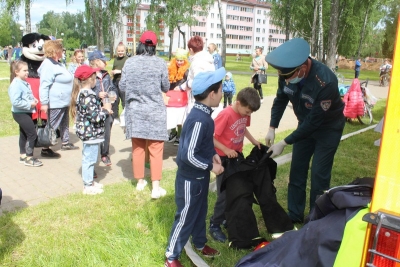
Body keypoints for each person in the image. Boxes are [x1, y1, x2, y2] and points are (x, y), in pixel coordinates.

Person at [265, 38, 345, 224]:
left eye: (289, 76)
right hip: (305, 125)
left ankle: (316, 217)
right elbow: (280, 99)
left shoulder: (325, 82)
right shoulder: (287, 71)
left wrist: (284, 142)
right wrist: (272, 127)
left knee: (319, 174)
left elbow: (314, 122)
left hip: (328, 128)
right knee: (297, 170)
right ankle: (295, 214)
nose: (285, 80)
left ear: (302, 68)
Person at [165, 68, 226, 267]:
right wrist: (210, 165)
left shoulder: (204, 115)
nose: (222, 93)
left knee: (200, 212)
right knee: (184, 217)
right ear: (212, 94)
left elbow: (204, 144)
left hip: (199, 180)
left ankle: (200, 243)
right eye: (220, 89)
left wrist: (213, 154)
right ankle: (171, 256)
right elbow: (187, 155)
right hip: (190, 181)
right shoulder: (199, 119)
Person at [119, 31, 170, 199]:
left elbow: (123, 86)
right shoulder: (160, 63)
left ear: (140, 45)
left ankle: (140, 183)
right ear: (154, 47)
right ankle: (156, 187)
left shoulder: (129, 63)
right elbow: (165, 86)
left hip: (135, 111)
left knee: (138, 147)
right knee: (156, 149)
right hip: (155, 110)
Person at [209, 87, 261, 242]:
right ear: (238, 103)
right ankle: (214, 224)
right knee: (224, 194)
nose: (248, 115)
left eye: (251, 113)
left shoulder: (244, 113)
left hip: (236, 157)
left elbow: (243, 128)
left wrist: (253, 141)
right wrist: (226, 149)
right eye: (247, 112)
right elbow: (211, 137)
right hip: (223, 159)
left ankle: (226, 218)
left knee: (236, 190)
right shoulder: (225, 114)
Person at [70, 65, 110, 195]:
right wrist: (105, 110)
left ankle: (90, 182)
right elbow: (95, 117)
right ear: (90, 79)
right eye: (94, 78)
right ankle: (87, 185)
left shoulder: (84, 94)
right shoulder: (89, 96)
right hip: (91, 133)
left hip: (88, 132)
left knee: (90, 158)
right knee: (90, 159)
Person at [39, 40, 78, 156]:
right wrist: (44, 102)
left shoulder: (58, 63)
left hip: (64, 101)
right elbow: (44, 85)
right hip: (56, 101)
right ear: (56, 51)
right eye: (61, 49)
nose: (63, 51)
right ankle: (45, 148)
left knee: (65, 122)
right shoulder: (48, 65)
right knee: (53, 124)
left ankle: (65, 142)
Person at [8, 60, 42, 167]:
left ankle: (23, 155)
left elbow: (27, 96)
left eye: (27, 70)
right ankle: (29, 157)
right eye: (24, 70)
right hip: (20, 113)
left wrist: (34, 100)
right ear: (16, 72)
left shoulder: (24, 82)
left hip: (26, 112)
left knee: (23, 134)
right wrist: (30, 104)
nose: (27, 72)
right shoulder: (16, 84)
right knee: (32, 134)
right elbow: (15, 101)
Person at [88, 50, 117, 166]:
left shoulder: (106, 75)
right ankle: (92, 162)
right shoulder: (89, 75)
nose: (105, 62)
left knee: (108, 124)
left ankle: (104, 154)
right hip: (93, 106)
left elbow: (112, 88)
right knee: (94, 133)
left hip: (105, 104)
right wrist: (97, 94)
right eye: (102, 60)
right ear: (95, 61)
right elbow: (84, 90)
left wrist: (112, 95)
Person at [179, 36, 215, 118]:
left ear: (191, 49)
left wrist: (185, 85)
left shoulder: (197, 62)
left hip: (197, 100)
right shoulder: (208, 59)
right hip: (207, 97)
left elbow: (198, 82)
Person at [166, 48, 190, 145]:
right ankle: (173, 132)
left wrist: (180, 87)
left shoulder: (187, 71)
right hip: (171, 95)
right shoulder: (170, 68)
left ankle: (179, 135)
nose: (179, 62)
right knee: (171, 115)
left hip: (181, 97)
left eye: (181, 60)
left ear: (185, 60)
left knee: (180, 117)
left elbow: (188, 82)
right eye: (178, 60)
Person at [111, 43, 128, 124]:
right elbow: (113, 69)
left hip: (123, 81)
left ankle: (125, 117)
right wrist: (113, 72)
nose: (120, 52)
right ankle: (116, 117)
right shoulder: (115, 59)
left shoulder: (127, 60)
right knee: (115, 100)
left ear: (124, 51)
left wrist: (119, 71)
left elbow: (128, 71)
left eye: (122, 51)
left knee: (124, 100)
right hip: (115, 81)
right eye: (119, 51)